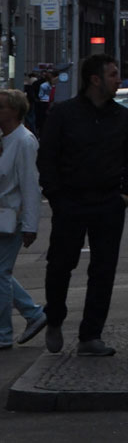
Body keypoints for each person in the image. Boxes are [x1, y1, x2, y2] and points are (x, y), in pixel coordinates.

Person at [37, 53, 128, 356]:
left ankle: (90, 335)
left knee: (103, 269)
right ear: (95, 80)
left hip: (108, 201)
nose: (118, 80)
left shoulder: (120, 116)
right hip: (71, 200)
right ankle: (54, 318)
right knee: (60, 265)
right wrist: (55, 196)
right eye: (112, 75)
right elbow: (47, 157)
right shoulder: (63, 114)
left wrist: (127, 193)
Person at [0, 89, 46, 350]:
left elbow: (30, 185)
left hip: (11, 219)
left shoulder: (24, 142)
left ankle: (4, 333)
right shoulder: (6, 139)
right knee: (1, 274)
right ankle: (33, 313)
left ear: (14, 112)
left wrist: (30, 225)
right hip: (4, 215)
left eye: (1, 108)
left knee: (1, 274)